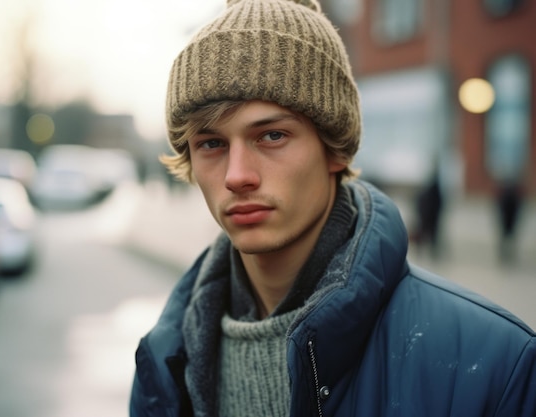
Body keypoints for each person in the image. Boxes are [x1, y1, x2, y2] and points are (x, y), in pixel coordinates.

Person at [129, 0, 536, 416]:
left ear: (334, 149)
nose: (237, 175)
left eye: (271, 136)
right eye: (211, 144)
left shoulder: (494, 365)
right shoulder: (163, 364)